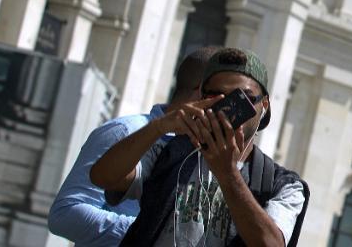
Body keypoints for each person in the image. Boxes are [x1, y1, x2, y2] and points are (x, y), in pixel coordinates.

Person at [90, 47, 310, 246]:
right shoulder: (171, 153)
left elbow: (271, 244)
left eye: (243, 98)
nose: (229, 108)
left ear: (264, 105)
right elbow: (103, 177)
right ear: (201, 98)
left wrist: (228, 173)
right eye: (216, 96)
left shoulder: (283, 184)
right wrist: (158, 127)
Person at [48, 45, 220, 246]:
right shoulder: (124, 131)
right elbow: (65, 214)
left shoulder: (207, 154)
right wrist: (152, 232)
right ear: (201, 93)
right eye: (224, 96)